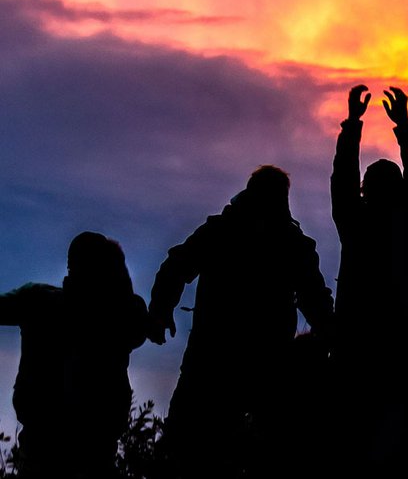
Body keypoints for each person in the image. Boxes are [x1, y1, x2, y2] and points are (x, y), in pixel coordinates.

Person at [148, 165, 334, 476]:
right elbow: (314, 298)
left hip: (215, 356)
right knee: (274, 452)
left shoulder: (221, 231)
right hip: (262, 360)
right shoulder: (291, 242)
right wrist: (329, 336)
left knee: (188, 450)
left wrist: (160, 310)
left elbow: (176, 267)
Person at [0, 232, 148, 477]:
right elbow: (136, 321)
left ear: (71, 266)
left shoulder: (38, 301)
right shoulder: (122, 315)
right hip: (93, 453)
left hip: (43, 449)